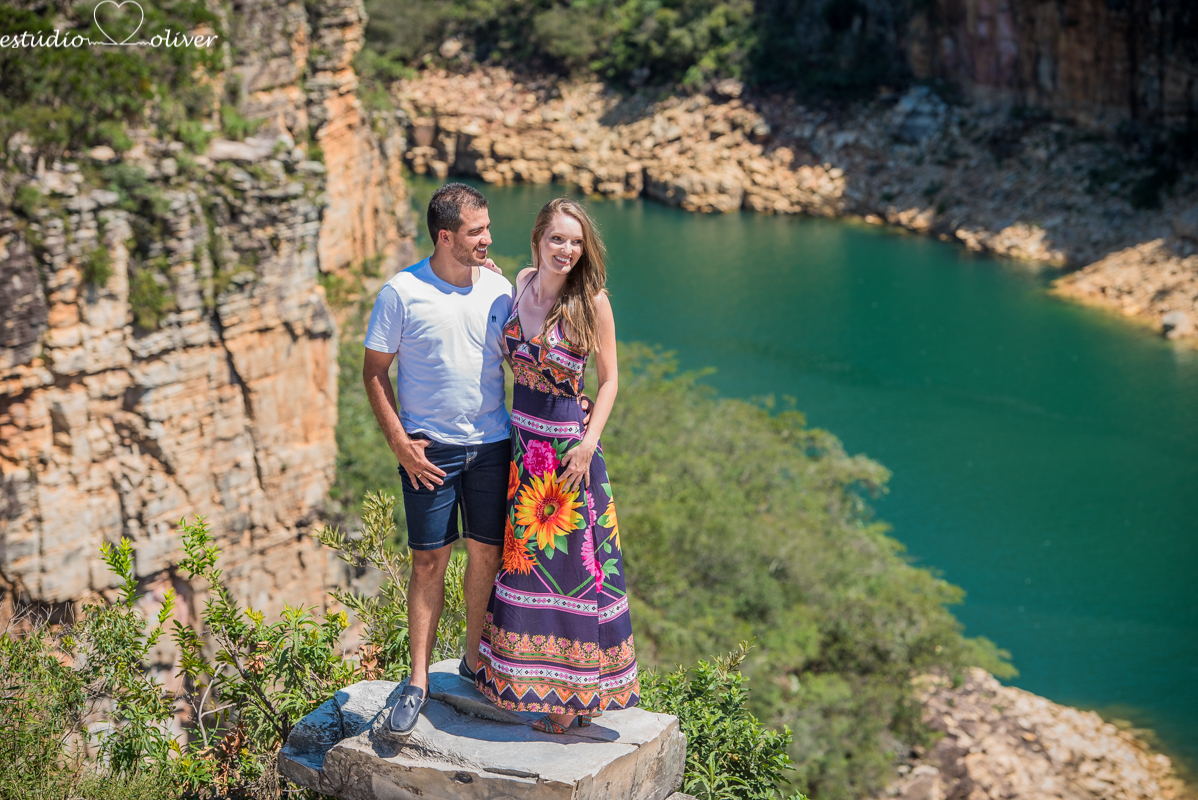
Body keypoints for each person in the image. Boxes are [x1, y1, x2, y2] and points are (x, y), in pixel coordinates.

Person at [475, 198, 639, 733]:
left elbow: (609, 381)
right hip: (522, 449)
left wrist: (589, 443)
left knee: (570, 574)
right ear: (538, 240)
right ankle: (526, 679)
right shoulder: (520, 283)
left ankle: (571, 699)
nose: (566, 250)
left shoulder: (592, 302)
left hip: (568, 454)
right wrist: (483, 271)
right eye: (557, 239)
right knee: (526, 567)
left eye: (576, 242)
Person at [361, 183, 513, 735]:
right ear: (445, 236)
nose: (487, 238)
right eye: (476, 232)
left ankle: (474, 662)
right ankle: (418, 680)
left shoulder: (499, 289)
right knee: (428, 562)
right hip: (429, 451)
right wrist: (400, 444)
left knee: (487, 555)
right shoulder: (401, 293)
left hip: (493, 445)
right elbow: (374, 372)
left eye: (487, 227)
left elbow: (527, 353)